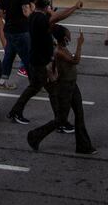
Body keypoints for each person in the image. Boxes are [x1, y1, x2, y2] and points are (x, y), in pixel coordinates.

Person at [7, 0, 82, 124]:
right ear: (46, 4)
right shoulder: (41, 19)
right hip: (40, 61)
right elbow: (59, 17)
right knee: (45, 89)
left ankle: (17, 112)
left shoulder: (33, 17)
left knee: (42, 88)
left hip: (38, 58)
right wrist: (74, 7)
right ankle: (60, 121)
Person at [26, 25, 95, 155]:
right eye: (68, 35)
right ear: (63, 38)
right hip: (65, 87)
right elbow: (75, 60)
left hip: (72, 85)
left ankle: (83, 146)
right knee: (61, 119)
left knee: (79, 114)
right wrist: (80, 44)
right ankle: (35, 135)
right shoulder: (59, 51)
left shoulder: (63, 48)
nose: (70, 37)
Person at [0, 0, 30, 88]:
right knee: (27, 55)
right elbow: (26, 12)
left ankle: (3, 79)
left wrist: (7, 16)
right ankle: (36, 80)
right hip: (21, 29)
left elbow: (0, 13)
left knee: (9, 54)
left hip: (9, 29)